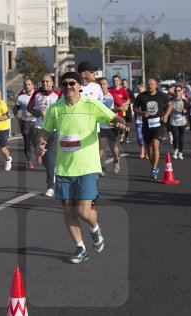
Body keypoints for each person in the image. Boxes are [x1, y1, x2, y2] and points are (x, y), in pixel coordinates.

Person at [37, 71, 127, 264]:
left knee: (83, 212)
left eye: (72, 83)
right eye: (64, 84)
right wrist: (41, 142)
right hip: (64, 169)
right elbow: (44, 131)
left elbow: (113, 118)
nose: (68, 87)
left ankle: (95, 229)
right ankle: (80, 247)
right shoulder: (56, 109)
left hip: (87, 166)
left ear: (79, 86)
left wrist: (121, 124)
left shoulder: (91, 105)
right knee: (68, 210)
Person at [27, 74, 61, 197]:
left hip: (54, 130)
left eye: (47, 81)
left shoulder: (58, 94)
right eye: (43, 81)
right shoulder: (36, 94)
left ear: (52, 82)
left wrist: (52, 114)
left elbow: (64, 109)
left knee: (50, 158)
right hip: (39, 129)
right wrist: (39, 113)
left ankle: (50, 186)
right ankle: (52, 171)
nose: (45, 83)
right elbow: (29, 108)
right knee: (45, 159)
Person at [133, 78, 171, 179]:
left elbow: (169, 104)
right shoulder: (141, 96)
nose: (150, 86)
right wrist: (141, 113)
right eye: (148, 84)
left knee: (155, 145)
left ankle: (153, 170)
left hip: (159, 124)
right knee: (149, 149)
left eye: (152, 84)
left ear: (156, 85)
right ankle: (154, 167)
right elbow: (135, 108)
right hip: (146, 125)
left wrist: (166, 115)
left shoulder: (161, 95)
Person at [98, 77, 124, 174]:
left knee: (113, 147)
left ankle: (116, 159)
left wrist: (110, 111)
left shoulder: (112, 95)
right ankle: (101, 168)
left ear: (107, 85)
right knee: (100, 148)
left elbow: (122, 107)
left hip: (111, 125)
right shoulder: (96, 96)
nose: (102, 86)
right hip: (100, 125)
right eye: (100, 84)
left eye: (104, 84)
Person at [14, 78, 37, 169]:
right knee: (27, 142)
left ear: (33, 86)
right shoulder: (21, 97)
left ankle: (39, 155)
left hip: (36, 122)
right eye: (25, 84)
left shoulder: (37, 96)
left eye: (29, 84)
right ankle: (29, 160)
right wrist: (16, 114)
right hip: (25, 122)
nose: (27, 86)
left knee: (36, 142)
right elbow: (16, 109)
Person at [169, 86, 189, 160]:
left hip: (182, 122)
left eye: (179, 90)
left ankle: (180, 152)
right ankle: (175, 151)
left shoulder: (184, 101)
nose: (177, 92)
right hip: (173, 122)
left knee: (181, 138)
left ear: (181, 92)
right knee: (175, 137)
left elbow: (187, 112)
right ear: (174, 92)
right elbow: (166, 110)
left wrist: (184, 110)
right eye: (176, 91)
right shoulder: (171, 100)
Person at [134, 83, 146, 159]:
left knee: (147, 136)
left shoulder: (147, 98)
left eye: (142, 91)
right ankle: (142, 148)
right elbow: (134, 109)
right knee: (139, 136)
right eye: (139, 91)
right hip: (139, 120)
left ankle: (147, 150)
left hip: (147, 121)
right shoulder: (137, 99)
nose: (140, 92)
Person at [120, 79, 135, 143]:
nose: (124, 84)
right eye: (123, 83)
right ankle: (121, 137)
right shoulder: (120, 91)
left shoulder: (130, 91)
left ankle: (127, 137)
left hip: (128, 110)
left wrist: (128, 103)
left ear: (127, 84)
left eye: (125, 83)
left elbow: (133, 99)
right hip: (121, 110)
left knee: (128, 124)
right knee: (122, 123)